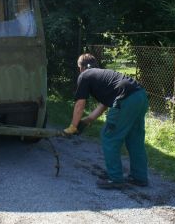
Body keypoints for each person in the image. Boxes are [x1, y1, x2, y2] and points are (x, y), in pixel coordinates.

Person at [64, 53, 149, 189]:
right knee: (134, 139)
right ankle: (139, 177)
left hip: (126, 100)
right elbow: (104, 104)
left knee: (109, 137)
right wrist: (88, 120)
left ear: (81, 68)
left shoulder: (84, 76)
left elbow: (80, 104)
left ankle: (115, 178)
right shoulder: (103, 75)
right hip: (140, 96)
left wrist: (73, 126)